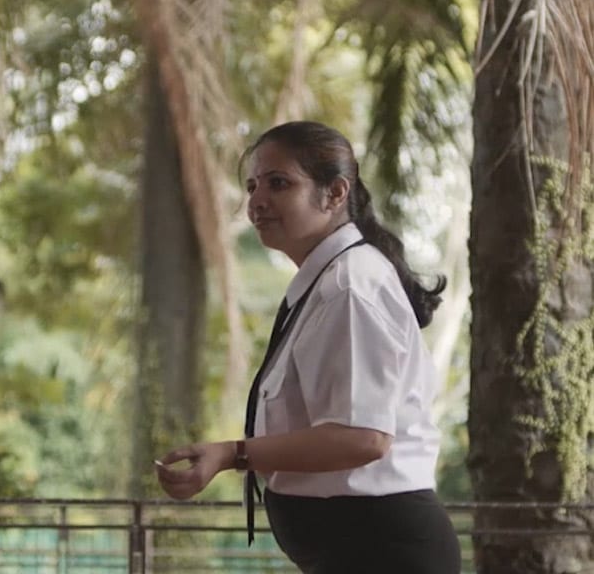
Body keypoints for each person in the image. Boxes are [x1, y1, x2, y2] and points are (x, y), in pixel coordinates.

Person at [155, 121, 459, 573]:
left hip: (382, 553)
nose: (257, 200)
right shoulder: (326, 282)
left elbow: (364, 437)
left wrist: (232, 454)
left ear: (335, 194)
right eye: (253, 185)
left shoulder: (350, 284)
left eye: (279, 184)